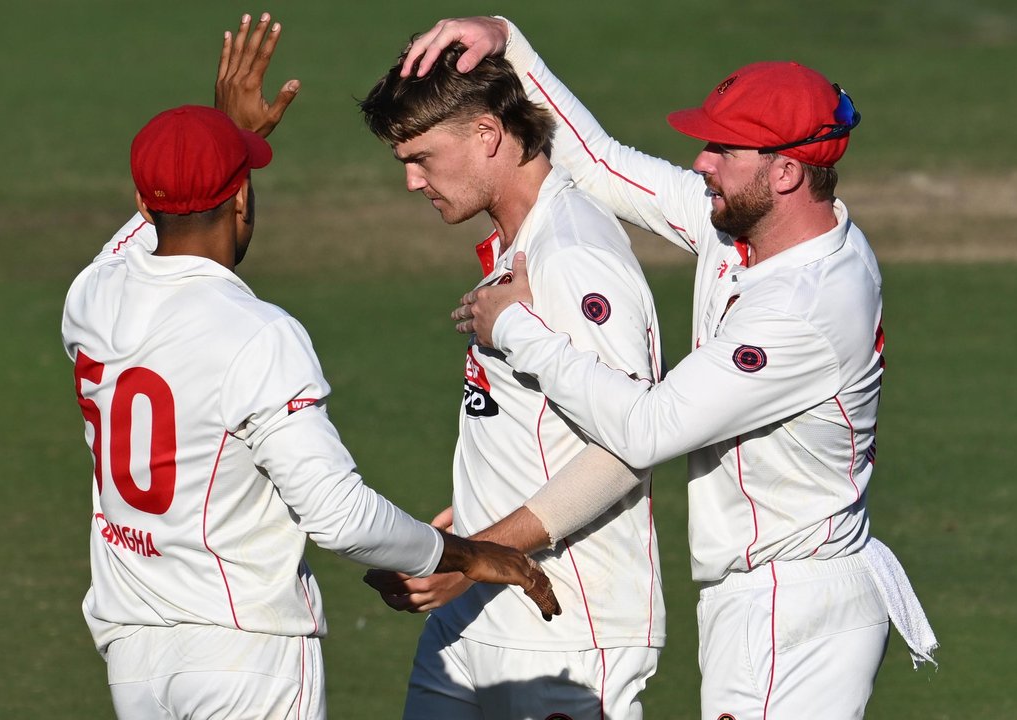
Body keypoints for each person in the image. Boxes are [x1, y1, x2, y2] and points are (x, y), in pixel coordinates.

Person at [404, 16, 939, 720]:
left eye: (722, 149)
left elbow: (648, 429)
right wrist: (508, 41)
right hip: (753, 596)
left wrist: (517, 330)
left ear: (784, 170)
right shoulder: (745, 227)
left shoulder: (807, 307)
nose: (700, 164)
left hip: (795, 608)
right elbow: (595, 163)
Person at [61, 16, 558, 720]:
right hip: (243, 657)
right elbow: (339, 515)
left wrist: (225, 136)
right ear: (240, 199)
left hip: (134, 659)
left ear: (144, 202)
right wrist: (468, 555)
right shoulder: (258, 334)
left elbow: (142, 231)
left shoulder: (90, 298)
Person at [356, 39, 666, 720]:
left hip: (561, 631)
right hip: (473, 620)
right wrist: (466, 523)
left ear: (488, 134)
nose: (411, 182)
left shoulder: (572, 254)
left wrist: (471, 553)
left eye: (420, 159)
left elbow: (626, 449)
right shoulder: (519, 242)